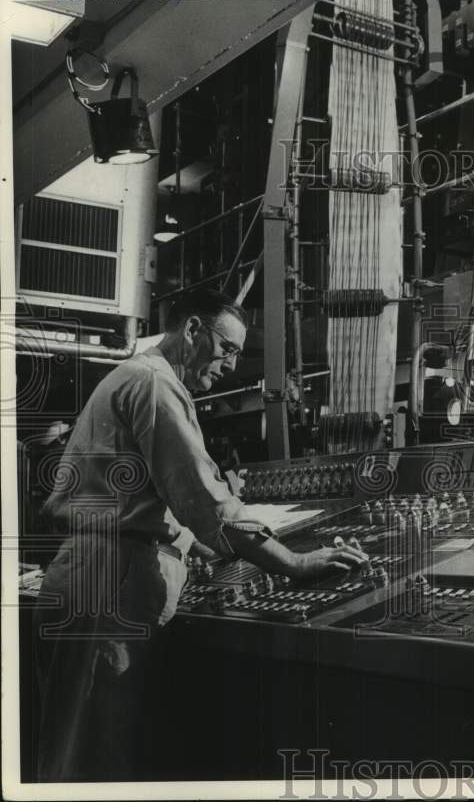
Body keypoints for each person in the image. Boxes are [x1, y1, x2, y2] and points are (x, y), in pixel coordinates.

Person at [32, 289, 367, 782]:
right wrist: (293, 564)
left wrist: (204, 547)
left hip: (99, 575)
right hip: (110, 587)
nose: (231, 365)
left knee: (82, 749)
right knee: (92, 763)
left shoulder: (138, 377)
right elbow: (203, 501)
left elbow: (166, 505)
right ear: (191, 330)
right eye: (227, 348)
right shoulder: (154, 384)